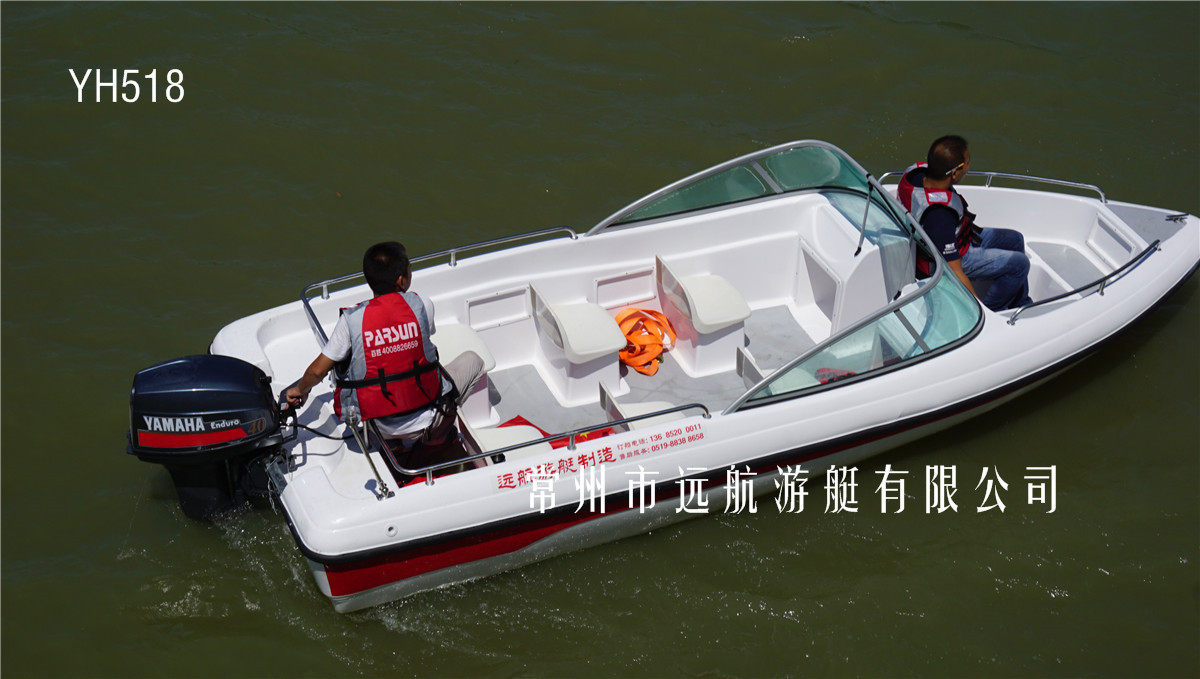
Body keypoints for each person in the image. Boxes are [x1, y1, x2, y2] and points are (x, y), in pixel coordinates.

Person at [285, 241, 484, 468]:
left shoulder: (351, 321)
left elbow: (317, 372)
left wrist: (300, 390)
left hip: (379, 426)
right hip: (427, 419)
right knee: (474, 361)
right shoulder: (422, 305)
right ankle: (440, 434)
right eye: (409, 268)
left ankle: (398, 444)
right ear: (401, 280)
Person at [897, 135, 1033, 311]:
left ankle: (1020, 302)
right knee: (1020, 265)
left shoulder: (915, 173)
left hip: (959, 236)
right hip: (948, 258)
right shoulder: (939, 216)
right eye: (967, 164)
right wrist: (980, 311)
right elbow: (954, 270)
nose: (968, 168)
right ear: (954, 173)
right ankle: (995, 310)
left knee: (1015, 239)